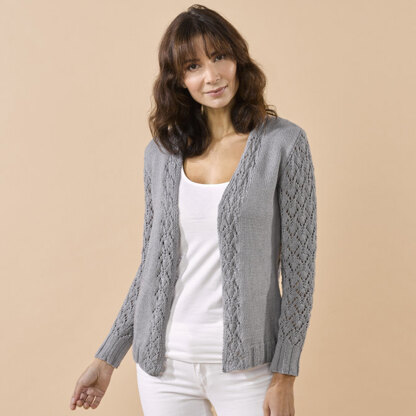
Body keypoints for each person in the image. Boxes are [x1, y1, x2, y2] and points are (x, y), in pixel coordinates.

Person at [69, 4, 317, 416]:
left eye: (219, 57)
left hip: (249, 368)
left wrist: (284, 375)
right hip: (164, 367)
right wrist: (107, 357)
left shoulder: (284, 144)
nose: (212, 75)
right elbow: (151, 266)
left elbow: (299, 271)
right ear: (179, 80)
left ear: (238, 60)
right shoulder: (160, 155)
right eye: (193, 66)